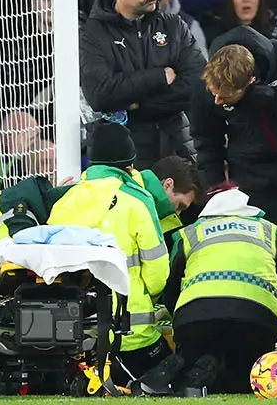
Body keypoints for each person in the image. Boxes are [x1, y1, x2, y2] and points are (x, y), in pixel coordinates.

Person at [190, 31, 277, 312]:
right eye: (214, 94)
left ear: (251, 83)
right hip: (248, 189)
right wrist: (217, 193)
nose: (217, 102)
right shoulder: (206, 85)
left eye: (226, 98)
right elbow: (206, 143)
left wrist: (276, 100)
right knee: (252, 267)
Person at [48, 125, 198, 380]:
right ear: (130, 164)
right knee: (178, 375)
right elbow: (158, 272)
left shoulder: (65, 201)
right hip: (131, 334)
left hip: (76, 332)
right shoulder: (137, 201)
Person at [140, 184, 277, 395]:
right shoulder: (268, 230)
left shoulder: (190, 233)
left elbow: (171, 283)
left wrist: (180, 316)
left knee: (194, 364)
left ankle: (188, 370)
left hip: (196, 318)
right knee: (243, 382)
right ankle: (212, 374)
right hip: (257, 318)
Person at [78, 0, 205, 166]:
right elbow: (100, 94)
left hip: (178, 148)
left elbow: (197, 83)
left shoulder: (174, 26)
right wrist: (159, 77)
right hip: (122, 156)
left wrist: (138, 105)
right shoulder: (92, 33)